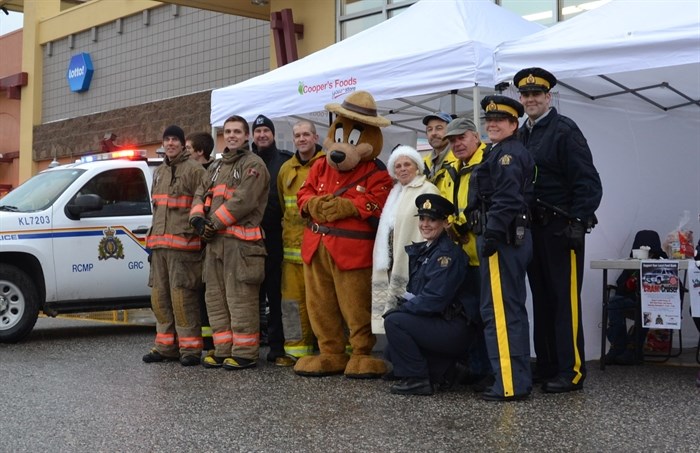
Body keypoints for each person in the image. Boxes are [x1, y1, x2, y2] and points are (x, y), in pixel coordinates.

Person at [515, 67, 602, 393]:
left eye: (537, 94)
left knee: (565, 303)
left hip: (561, 229)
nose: (531, 99)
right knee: (542, 300)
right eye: (525, 95)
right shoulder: (522, 134)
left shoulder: (564, 130)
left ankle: (571, 371)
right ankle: (548, 365)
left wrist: (578, 222)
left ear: (548, 97)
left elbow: (588, 183)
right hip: (533, 230)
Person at [467, 95, 535, 401]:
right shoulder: (500, 151)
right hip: (505, 238)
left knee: (500, 312)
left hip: (502, 240)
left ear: (513, 124)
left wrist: (492, 233)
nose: (492, 125)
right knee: (507, 309)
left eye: (500, 121)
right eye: (489, 120)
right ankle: (513, 379)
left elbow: (507, 199)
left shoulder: (507, 154)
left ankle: (509, 383)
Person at [189, 115, 270, 370]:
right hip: (215, 245)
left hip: (241, 247)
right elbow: (200, 194)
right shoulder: (215, 167)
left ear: (246, 136)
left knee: (240, 300)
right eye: (228, 131)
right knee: (216, 299)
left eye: (237, 131)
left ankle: (245, 352)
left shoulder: (253, 164)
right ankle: (224, 349)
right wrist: (197, 220)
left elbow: (243, 201)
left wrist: (211, 224)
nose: (232, 135)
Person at [383, 193, 479, 395]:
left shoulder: (446, 255)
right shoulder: (428, 250)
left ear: (445, 223)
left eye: (432, 220)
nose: (425, 224)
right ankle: (446, 370)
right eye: (423, 219)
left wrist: (401, 310)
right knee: (391, 351)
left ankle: (418, 380)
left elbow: (434, 300)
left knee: (394, 322)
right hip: (440, 321)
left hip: (454, 327)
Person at [142, 125, 205, 367]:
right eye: (167, 139)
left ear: (182, 143)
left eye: (175, 140)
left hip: (184, 247)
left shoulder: (195, 170)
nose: (170, 143)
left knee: (183, 299)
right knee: (160, 298)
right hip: (159, 248)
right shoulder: (159, 172)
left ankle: (189, 350)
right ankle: (165, 347)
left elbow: (203, 203)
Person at [438, 117, 491, 387]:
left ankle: (491, 372)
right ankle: (475, 368)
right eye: (452, 140)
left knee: (487, 316)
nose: (457, 144)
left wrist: (457, 223)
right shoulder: (448, 168)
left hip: (484, 256)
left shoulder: (488, 162)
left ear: (476, 136)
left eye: (461, 138)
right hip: (460, 258)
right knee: (467, 316)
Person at [371, 145, 440, 329]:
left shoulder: (427, 189)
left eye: (407, 164)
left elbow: (431, 226)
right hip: (392, 258)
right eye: (398, 165)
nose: (402, 169)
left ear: (417, 166)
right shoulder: (395, 192)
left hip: (415, 259)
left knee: (409, 307)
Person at [277, 120, 324, 362]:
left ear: (316, 138)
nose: (302, 139)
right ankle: (296, 352)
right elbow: (283, 206)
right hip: (291, 251)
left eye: (306, 134)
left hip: (320, 249)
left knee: (325, 302)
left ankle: (335, 351)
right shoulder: (286, 169)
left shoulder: (328, 165)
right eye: (298, 135)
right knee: (293, 303)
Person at [251, 114, 293, 365]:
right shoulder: (247, 162)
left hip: (276, 238)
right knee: (250, 296)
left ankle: (277, 346)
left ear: (273, 134)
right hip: (249, 239)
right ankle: (249, 345)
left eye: (266, 130)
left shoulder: (284, 162)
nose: (262, 135)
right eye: (258, 131)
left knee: (276, 294)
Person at [606, 231, 667, 365]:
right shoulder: (631, 264)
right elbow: (620, 287)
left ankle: (633, 347)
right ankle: (618, 346)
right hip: (632, 300)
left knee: (645, 306)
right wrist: (629, 285)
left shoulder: (663, 264)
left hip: (655, 303)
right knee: (613, 302)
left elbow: (674, 288)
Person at [186, 131, 216, 351]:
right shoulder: (189, 172)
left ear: (200, 152)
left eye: (188, 148)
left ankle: (210, 338)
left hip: (211, 240)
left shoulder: (213, 173)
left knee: (210, 291)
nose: (186, 152)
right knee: (196, 292)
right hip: (191, 240)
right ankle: (202, 336)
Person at [421, 112, 455, 183]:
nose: (433, 133)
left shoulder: (460, 160)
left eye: (439, 128)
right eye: (429, 129)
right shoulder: (422, 164)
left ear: (451, 131)